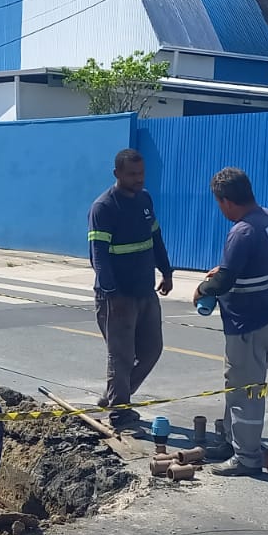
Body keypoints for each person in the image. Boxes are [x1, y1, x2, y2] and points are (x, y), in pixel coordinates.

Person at [195, 167, 268, 477]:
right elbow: (249, 265)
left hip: (249, 327)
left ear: (226, 201)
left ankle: (247, 457)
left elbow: (223, 282)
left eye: (218, 203)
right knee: (240, 387)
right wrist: (223, 272)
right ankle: (231, 442)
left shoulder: (242, 231)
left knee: (247, 392)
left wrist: (203, 289)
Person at [88, 148, 172, 428]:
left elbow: (155, 238)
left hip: (145, 291)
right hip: (117, 297)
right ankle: (119, 412)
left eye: (141, 173)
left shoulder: (145, 200)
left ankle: (116, 396)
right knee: (121, 356)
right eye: (132, 174)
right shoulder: (104, 207)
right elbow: (98, 256)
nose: (139, 179)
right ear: (117, 174)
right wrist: (112, 293)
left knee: (152, 350)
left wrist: (167, 270)